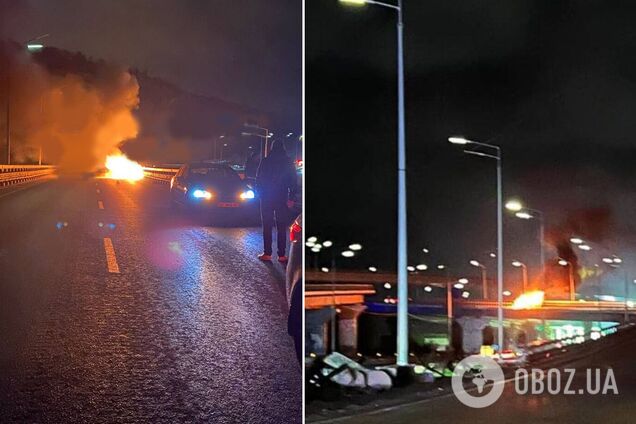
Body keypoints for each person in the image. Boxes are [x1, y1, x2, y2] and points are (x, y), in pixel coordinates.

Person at [255, 140, 297, 262]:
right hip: (281, 196)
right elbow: (293, 180)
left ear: (272, 148)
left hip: (267, 196)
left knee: (267, 225)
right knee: (281, 225)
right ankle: (282, 255)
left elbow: (258, 178)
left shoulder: (266, 161)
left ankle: (267, 253)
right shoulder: (288, 162)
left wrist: (260, 193)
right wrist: (291, 198)